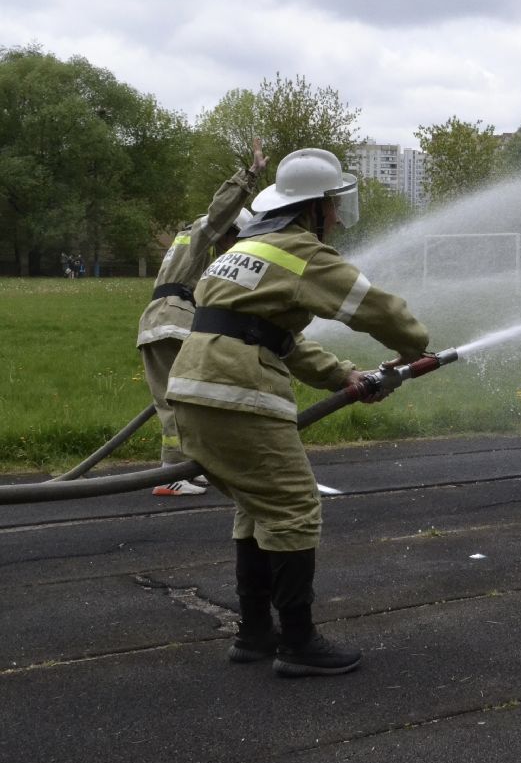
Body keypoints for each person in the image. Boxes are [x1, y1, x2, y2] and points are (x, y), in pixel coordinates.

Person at [167, 148, 428, 678]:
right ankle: (299, 643)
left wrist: (342, 375)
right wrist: (413, 348)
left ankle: (256, 635)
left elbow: (266, 333)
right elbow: (378, 309)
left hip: (194, 387)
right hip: (238, 393)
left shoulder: (245, 251)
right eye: (332, 205)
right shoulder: (303, 252)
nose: (335, 216)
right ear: (315, 208)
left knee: (257, 507)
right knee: (292, 509)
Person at [137, 139, 268, 496]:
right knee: (178, 401)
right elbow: (218, 214)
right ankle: (171, 476)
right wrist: (250, 176)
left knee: (180, 399)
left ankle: (184, 468)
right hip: (171, 323)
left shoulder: (183, 245)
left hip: (157, 323)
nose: (232, 247)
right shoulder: (199, 236)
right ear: (228, 230)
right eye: (234, 238)